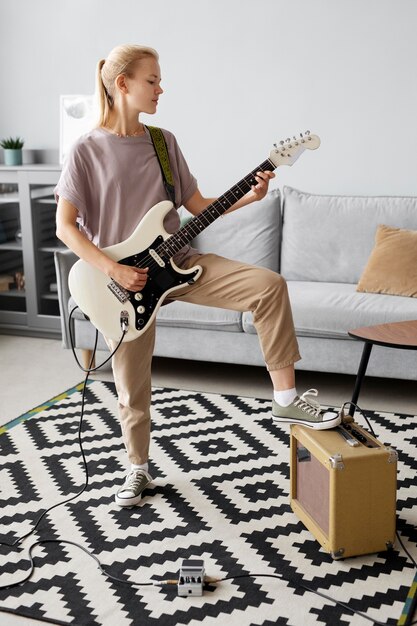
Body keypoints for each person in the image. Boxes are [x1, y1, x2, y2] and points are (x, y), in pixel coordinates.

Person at [55, 44, 341, 508]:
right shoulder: (86, 150)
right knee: (132, 385)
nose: (161, 89)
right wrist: (113, 269)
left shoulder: (164, 144)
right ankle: (138, 470)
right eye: (152, 81)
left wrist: (252, 195)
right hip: (121, 286)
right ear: (122, 84)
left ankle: (286, 398)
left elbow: (197, 207)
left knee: (269, 287)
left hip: (181, 264)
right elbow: (65, 226)